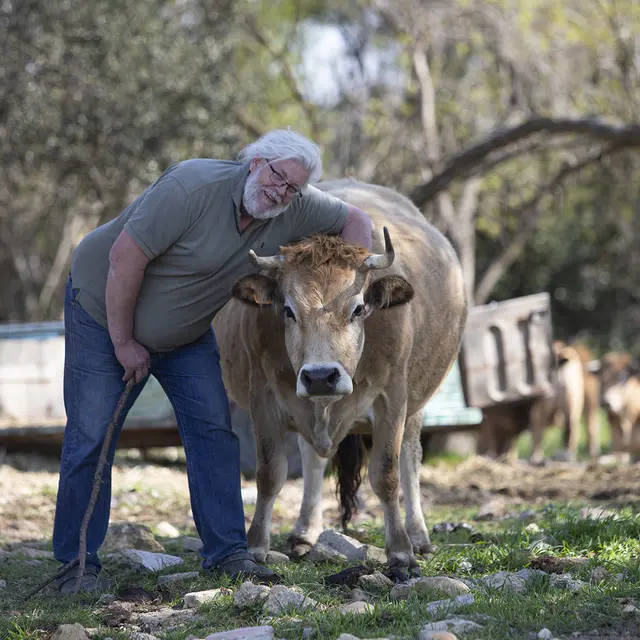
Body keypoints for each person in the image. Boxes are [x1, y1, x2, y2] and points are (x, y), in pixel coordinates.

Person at [52, 128, 373, 594]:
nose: (280, 192)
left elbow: (356, 219)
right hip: (103, 314)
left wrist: (351, 283)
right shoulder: (191, 187)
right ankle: (76, 566)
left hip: (184, 335)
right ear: (255, 162)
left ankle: (227, 554)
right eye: (277, 177)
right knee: (91, 436)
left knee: (213, 434)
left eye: (292, 187)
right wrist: (124, 343)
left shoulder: (297, 203)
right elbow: (124, 259)